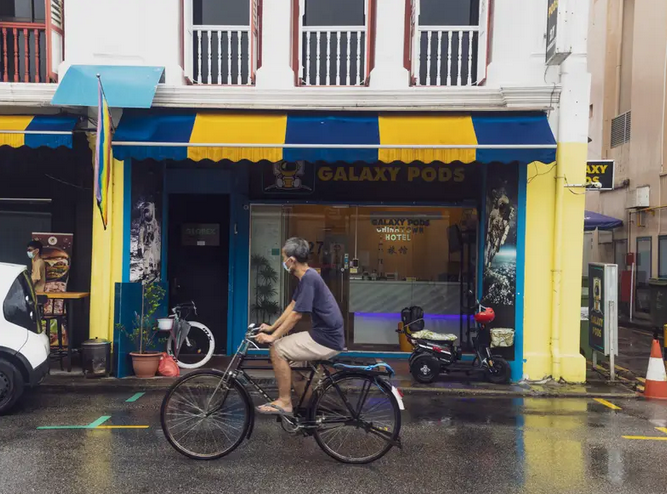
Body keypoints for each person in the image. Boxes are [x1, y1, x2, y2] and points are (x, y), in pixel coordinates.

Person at [255, 237, 345, 415]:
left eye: (283, 257)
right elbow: (292, 306)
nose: (283, 262)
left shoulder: (309, 278)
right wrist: (272, 327)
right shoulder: (307, 277)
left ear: (292, 260)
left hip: (326, 338)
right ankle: (310, 413)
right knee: (296, 371)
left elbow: (297, 315)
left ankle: (285, 402)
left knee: (277, 349)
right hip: (323, 335)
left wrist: (273, 338)